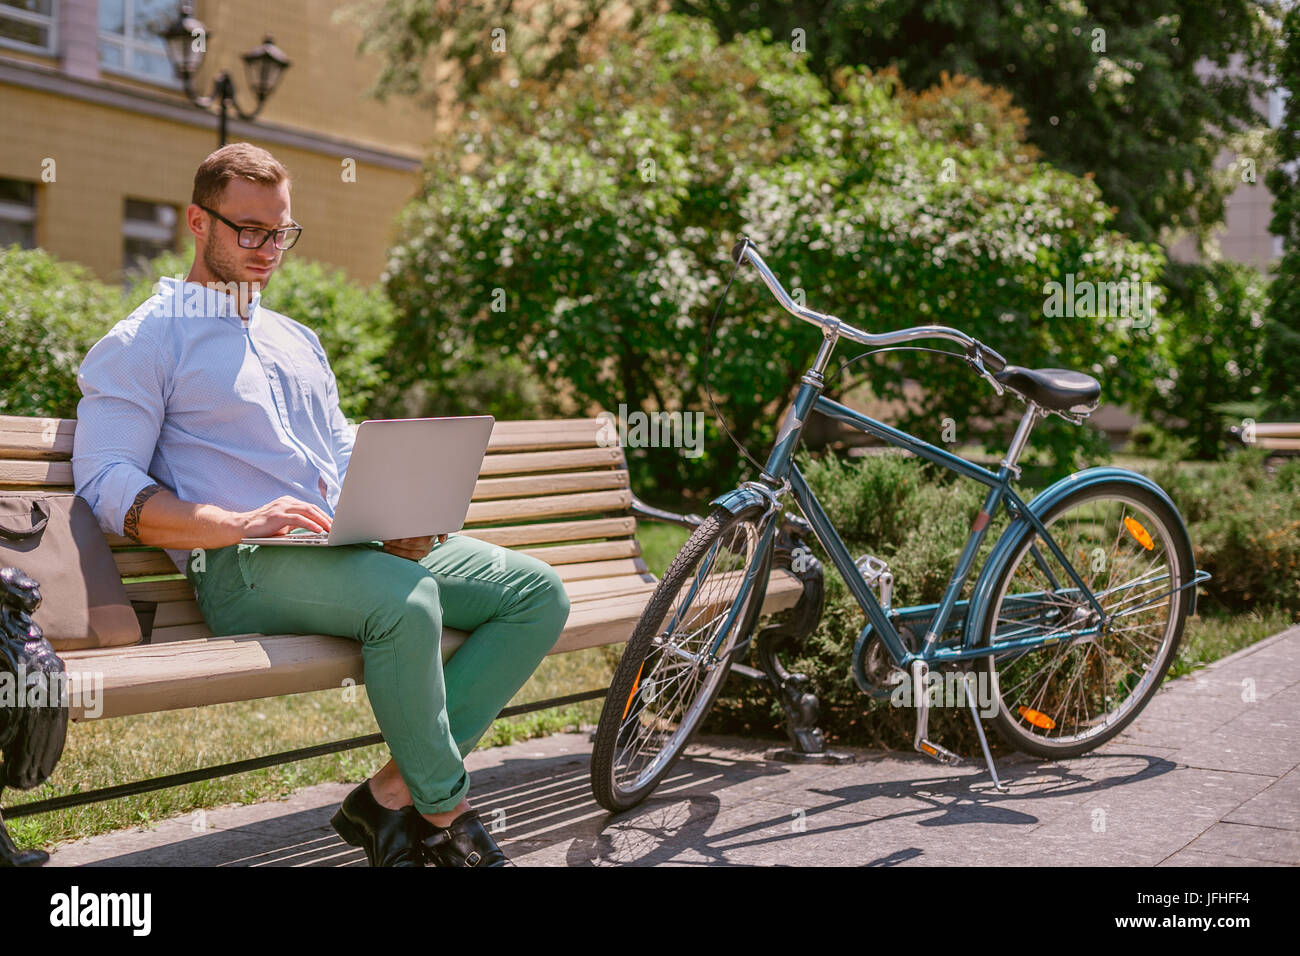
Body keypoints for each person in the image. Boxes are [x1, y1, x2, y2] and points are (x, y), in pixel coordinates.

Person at [71, 142, 571, 867]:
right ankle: (446, 810)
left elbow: (338, 453)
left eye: (280, 231)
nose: (268, 248)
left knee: (535, 594)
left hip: (343, 549)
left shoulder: (295, 339)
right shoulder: (146, 340)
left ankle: (389, 795)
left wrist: (393, 516)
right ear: (196, 221)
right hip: (239, 566)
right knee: (405, 601)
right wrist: (232, 523)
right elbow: (106, 479)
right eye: (249, 230)